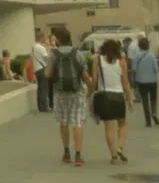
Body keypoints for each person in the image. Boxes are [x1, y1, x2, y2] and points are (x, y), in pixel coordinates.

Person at [47, 26, 88, 166]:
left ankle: (66, 153)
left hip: (60, 92)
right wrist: (91, 88)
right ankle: (78, 154)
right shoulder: (77, 53)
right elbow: (85, 74)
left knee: (63, 122)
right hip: (77, 92)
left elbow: (47, 74)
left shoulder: (53, 54)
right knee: (77, 122)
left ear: (57, 40)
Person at [93, 39, 132, 163]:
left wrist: (90, 93)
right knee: (122, 124)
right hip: (118, 96)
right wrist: (129, 98)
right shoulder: (121, 62)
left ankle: (114, 155)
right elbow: (125, 82)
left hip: (104, 95)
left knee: (109, 128)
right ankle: (120, 147)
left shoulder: (97, 60)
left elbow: (94, 79)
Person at [130, 36, 159, 127]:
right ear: (148, 46)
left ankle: (147, 120)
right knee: (153, 98)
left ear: (139, 46)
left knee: (144, 99)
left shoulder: (136, 57)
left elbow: (134, 70)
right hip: (152, 81)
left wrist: (133, 82)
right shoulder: (152, 56)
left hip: (141, 81)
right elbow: (156, 69)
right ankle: (154, 112)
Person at [33, 30, 54, 112]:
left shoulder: (34, 46)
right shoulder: (40, 47)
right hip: (42, 69)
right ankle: (45, 107)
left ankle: (40, 106)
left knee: (40, 88)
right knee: (44, 88)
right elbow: (47, 57)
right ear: (41, 38)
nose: (45, 39)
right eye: (44, 38)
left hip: (37, 69)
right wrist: (48, 48)